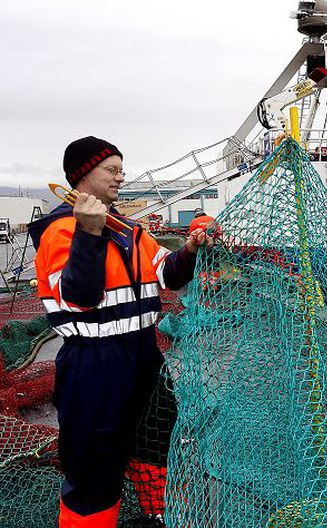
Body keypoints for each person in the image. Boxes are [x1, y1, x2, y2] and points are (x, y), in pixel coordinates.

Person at [28, 136, 211, 528]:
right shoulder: (59, 231)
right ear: (82, 175)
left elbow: (169, 273)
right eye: (112, 169)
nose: (120, 177)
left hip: (144, 354)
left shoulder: (131, 230)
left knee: (157, 439)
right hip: (93, 363)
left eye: (121, 169)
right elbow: (81, 295)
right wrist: (89, 234)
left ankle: (157, 514)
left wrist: (191, 250)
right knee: (93, 462)